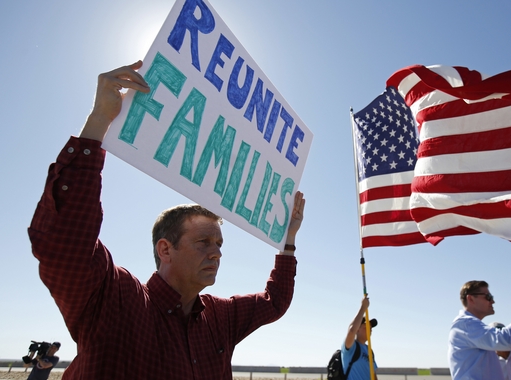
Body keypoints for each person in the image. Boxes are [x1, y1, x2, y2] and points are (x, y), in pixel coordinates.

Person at [28, 61, 306, 379]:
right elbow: (64, 243)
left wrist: (288, 240)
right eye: (203, 242)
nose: (216, 253)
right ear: (165, 249)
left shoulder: (221, 317)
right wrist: (99, 122)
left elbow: (276, 301)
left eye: (218, 243)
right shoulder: (115, 300)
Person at [447, 280, 511, 380]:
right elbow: (506, 339)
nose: (492, 301)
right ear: (471, 299)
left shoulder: (468, 326)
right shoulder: (465, 324)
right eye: (488, 297)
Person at [342, 297, 378, 380]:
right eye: (366, 327)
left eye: (371, 328)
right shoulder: (351, 347)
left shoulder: (369, 351)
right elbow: (351, 330)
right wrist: (363, 307)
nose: (370, 330)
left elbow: (373, 375)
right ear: (357, 330)